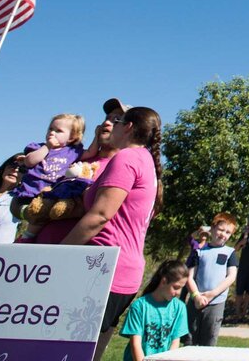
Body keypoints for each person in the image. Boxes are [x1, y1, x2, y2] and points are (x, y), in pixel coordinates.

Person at [62, 106, 163, 361]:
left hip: (103, 271)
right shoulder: (147, 162)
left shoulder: (127, 158)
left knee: (69, 353)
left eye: (117, 121)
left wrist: (57, 254)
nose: (111, 126)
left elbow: (101, 215)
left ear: (128, 127)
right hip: (124, 273)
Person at [31, 98, 128, 245]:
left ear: (128, 130)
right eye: (106, 119)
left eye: (116, 120)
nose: (107, 123)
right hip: (38, 253)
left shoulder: (121, 170)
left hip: (75, 257)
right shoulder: (73, 158)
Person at [12, 113, 86, 236]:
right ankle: (26, 236)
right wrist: (47, 147)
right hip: (31, 192)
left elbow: (90, 152)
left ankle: (28, 236)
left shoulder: (72, 152)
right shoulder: (38, 147)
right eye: (50, 129)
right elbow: (30, 161)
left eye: (59, 131)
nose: (52, 132)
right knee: (36, 215)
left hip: (51, 195)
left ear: (72, 137)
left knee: (44, 215)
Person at [119, 260, 190, 361]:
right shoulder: (139, 306)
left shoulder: (180, 308)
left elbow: (175, 342)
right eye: (176, 287)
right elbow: (135, 344)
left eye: (181, 288)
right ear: (164, 281)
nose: (178, 292)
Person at [186, 212, 239, 346]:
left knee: (209, 343)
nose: (223, 234)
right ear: (213, 228)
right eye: (221, 229)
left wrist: (212, 293)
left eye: (228, 232)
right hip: (196, 302)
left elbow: (231, 276)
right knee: (189, 341)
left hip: (216, 303)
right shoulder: (199, 251)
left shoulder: (230, 252)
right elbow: (189, 276)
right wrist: (196, 296)